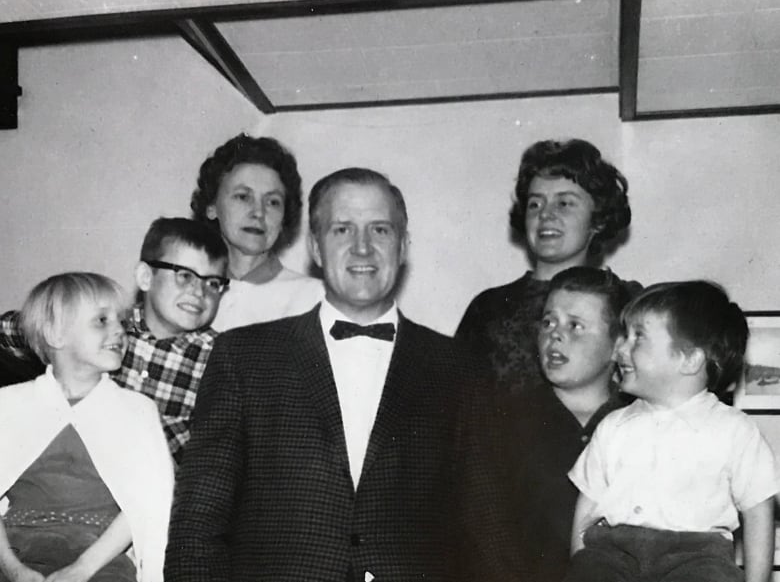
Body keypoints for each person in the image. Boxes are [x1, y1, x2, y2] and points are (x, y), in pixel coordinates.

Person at [165, 167, 482, 582]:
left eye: (380, 231)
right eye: (343, 230)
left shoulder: (457, 367)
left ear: (403, 246)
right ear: (315, 248)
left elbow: (484, 526)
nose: (363, 249)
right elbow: (198, 523)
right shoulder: (243, 357)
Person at [566, 281, 778, 582]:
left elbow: (758, 510)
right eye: (624, 335)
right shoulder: (613, 426)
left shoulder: (734, 431)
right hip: (614, 552)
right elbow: (587, 504)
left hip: (696, 557)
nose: (619, 348)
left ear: (689, 359)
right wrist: (581, 563)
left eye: (637, 336)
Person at [0, 217, 229, 463]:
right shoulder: (107, 327)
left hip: (150, 484)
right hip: (75, 464)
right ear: (145, 277)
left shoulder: (218, 358)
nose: (199, 292)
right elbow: (15, 328)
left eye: (213, 283)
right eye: (185, 276)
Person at [459, 267, 634, 582]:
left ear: (617, 345)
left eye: (576, 326)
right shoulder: (501, 421)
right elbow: (484, 535)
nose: (555, 334)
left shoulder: (642, 425)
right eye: (548, 321)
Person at [0, 272, 173, 582]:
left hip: (99, 557)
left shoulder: (136, 411)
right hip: (14, 551)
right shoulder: (10, 405)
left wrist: (82, 569)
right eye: (101, 321)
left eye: (121, 321)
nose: (120, 331)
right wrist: (14, 570)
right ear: (55, 334)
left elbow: (148, 504)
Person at [455, 139, 633, 393]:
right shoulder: (488, 308)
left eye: (564, 203)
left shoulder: (626, 303)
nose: (545, 214)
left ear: (598, 220)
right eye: (535, 204)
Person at [191, 134, 323, 330]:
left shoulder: (314, 298)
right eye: (243, 197)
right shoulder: (187, 291)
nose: (259, 212)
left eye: (273, 202)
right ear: (212, 207)